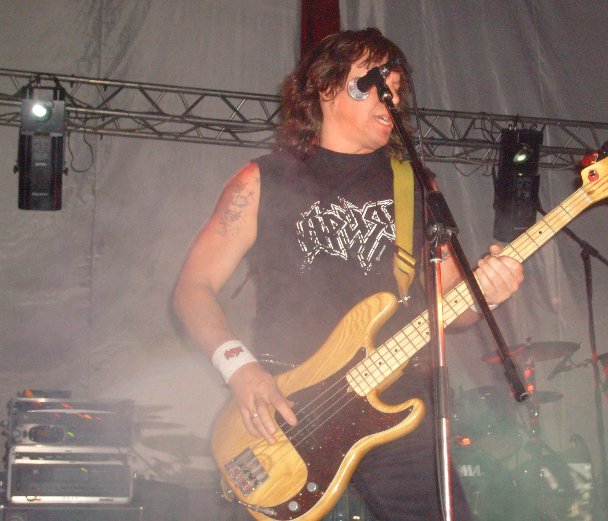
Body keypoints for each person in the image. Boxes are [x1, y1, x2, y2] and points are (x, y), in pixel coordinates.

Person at [172, 27, 524, 521]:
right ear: (325, 86)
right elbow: (193, 288)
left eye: (396, 89)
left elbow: (452, 306)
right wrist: (239, 368)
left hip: (392, 399)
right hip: (285, 405)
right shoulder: (261, 180)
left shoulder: (414, 182)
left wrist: (489, 292)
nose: (390, 98)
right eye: (375, 82)